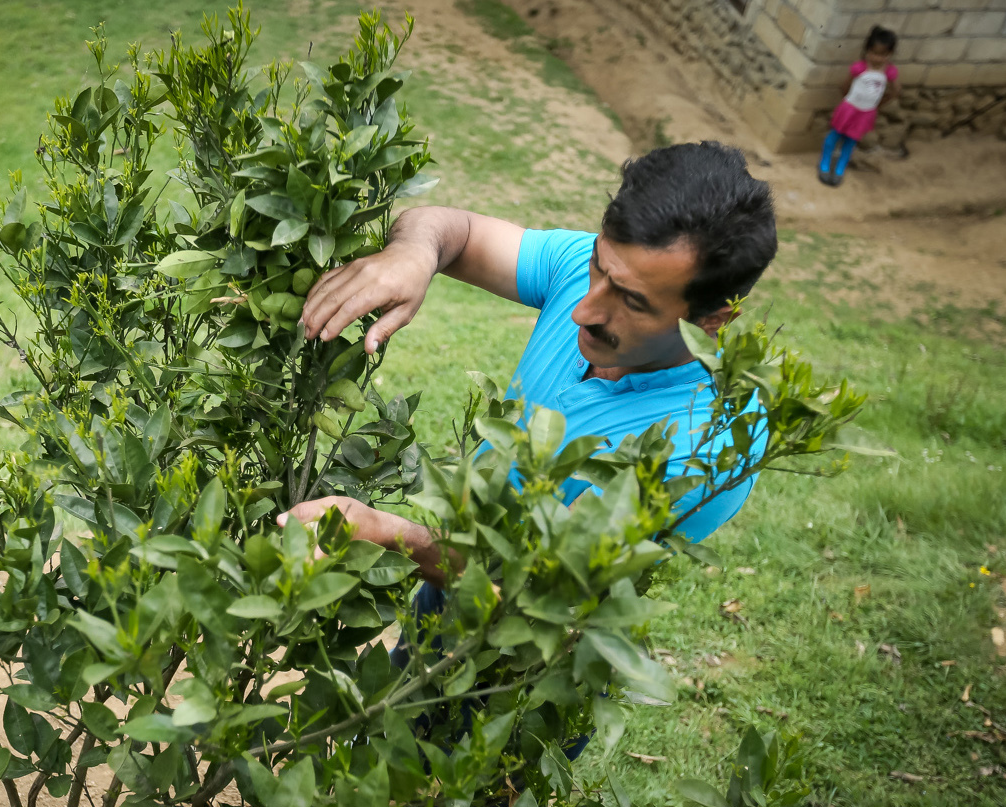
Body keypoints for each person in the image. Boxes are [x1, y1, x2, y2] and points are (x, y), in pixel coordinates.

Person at [277, 140, 776, 759]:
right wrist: (412, 255)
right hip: (443, 595)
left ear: (714, 320)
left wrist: (386, 536)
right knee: (378, 752)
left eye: (634, 302)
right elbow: (450, 228)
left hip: (520, 678)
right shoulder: (596, 273)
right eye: (599, 267)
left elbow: (530, 592)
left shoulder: (707, 446)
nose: (585, 309)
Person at [817, 26, 899, 188]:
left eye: (883, 54)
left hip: (866, 113)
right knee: (833, 137)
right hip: (849, 109)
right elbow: (844, 87)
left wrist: (878, 104)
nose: (877, 58)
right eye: (874, 53)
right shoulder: (859, 68)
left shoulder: (889, 72)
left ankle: (839, 169)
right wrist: (850, 103)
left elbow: (896, 91)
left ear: (889, 55)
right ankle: (824, 164)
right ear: (867, 51)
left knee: (850, 142)